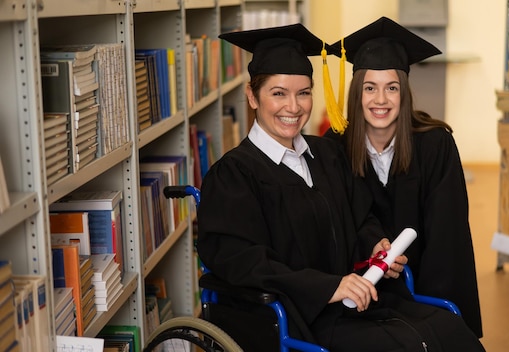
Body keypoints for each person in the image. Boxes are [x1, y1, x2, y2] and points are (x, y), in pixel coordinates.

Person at [196, 23, 485, 351]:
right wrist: (328, 287)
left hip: (360, 303)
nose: (293, 107)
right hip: (302, 318)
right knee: (409, 345)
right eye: (279, 93)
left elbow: (360, 217)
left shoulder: (326, 155)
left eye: (303, 93)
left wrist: (375, 244)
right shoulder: (233, 174)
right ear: (252, 95)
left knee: (451, 331)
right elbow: (243, 261)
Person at [324, 16, 483, 338]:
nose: (380, 100)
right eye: (370, 88)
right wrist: (370, 247)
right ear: (357, 93)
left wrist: (435, 308)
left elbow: (447, 240)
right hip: (361, 288)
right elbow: (338, 222)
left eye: (391, 88)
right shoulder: (333, 147)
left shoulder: (435, 144)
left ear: (404, 93)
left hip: (423, 285)